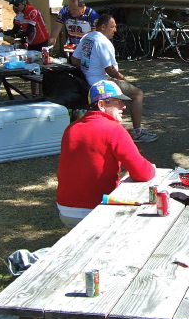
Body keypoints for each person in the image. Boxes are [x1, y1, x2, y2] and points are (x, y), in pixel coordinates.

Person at [55, 80, 156, 226]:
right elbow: (142, 172)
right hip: (96, 208)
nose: (124, 106)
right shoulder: (113, 129)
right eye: (117, 102)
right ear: (101, 105)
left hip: (66, 209)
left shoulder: (71, 128)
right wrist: (151, 167)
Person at [72, 14, 158, 143]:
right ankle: (137, 132)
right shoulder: (103, 42)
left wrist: (87, 68)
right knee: (138, 94)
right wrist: (122, 78)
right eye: (112, 27)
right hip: (102, 82)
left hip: (86, 80)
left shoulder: (87, 37)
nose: (115, 30)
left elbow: (74, 59)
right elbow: (110, 70)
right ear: (103, 27)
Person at [7, 0, 50, 96]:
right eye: (14, 5)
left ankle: (42, 95)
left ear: (24, 2)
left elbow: (29, 31)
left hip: (42, 42)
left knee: (40, 69)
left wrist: (15, 36)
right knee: (32, 68)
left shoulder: (33, 12)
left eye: (17, 4)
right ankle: (34, 94)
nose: (15, 7)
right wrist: (4, 33)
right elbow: (15, 30)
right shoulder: (19, 14)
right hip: (32, 43)